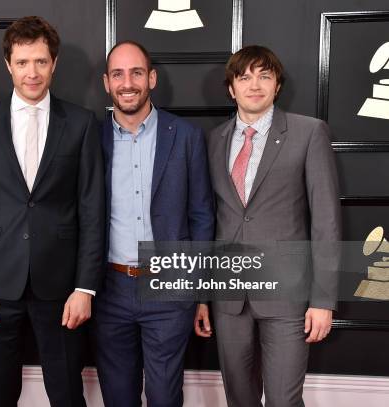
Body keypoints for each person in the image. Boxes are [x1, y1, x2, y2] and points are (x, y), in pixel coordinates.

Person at [0, 16, 104, 407]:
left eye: (40, 61)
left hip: (62, 288)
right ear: (9, 65)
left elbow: (92, 211)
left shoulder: (82, 124)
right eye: (23, 63)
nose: (32, 72)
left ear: (54, 63)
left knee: (68, 394)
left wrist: (85, 287)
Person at [195, 45, 341, 407]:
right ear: (231, 88)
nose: (254, 85)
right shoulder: (213, 141)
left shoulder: (309, 133)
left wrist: (323, 300)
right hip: (228, 299)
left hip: (287, 297)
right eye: (244, 77)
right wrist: (201, 296)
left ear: (277, 85)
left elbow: (326, 220)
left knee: (283, 400)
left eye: (264, 76)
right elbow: (207, 220)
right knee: (239, 400)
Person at [95, 40, 215, 407]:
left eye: (136, 72)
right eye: (118, 74)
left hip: (170, 284)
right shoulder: (90, 138)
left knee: (164, 396)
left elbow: (201, 217)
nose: (127, 82)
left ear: (152, 78)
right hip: (109, 288)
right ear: (106, 82)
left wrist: (201, 294)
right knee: (118, 396)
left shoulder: (186, 136)